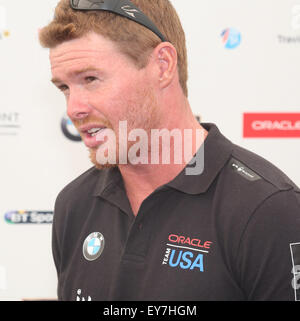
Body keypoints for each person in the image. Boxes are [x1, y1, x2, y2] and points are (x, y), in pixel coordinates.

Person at [39, 0, 300, 301]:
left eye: (91, 79)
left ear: (162, 66)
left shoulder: (267, 211)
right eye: (64, 88)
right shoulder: (75, 204)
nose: (74, 109)